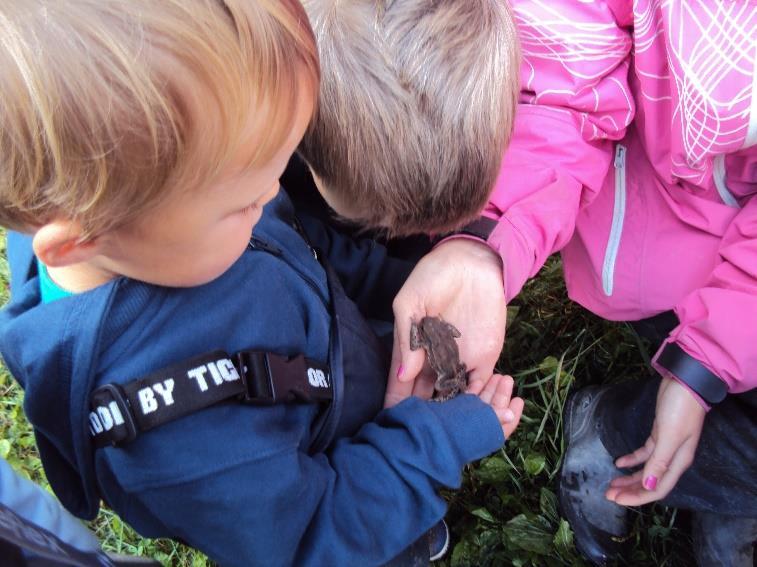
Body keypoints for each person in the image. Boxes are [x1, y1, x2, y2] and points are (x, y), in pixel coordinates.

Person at [0, 1, 524, 566]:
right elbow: (307, 537)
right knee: (376, 540)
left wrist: (397, 281)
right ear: (82, 241)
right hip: (330, 478)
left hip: (328, 368)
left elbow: (295, 242)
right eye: (250, 199)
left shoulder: (181, 206)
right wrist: (430, 441)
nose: (274, 192)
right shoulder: (180, 442)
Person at [383, 1, 757, 565]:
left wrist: (712, 356)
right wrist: (485, 242)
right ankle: (617, 433)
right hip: (647, 252)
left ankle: (730, 489)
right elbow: (559, 90)